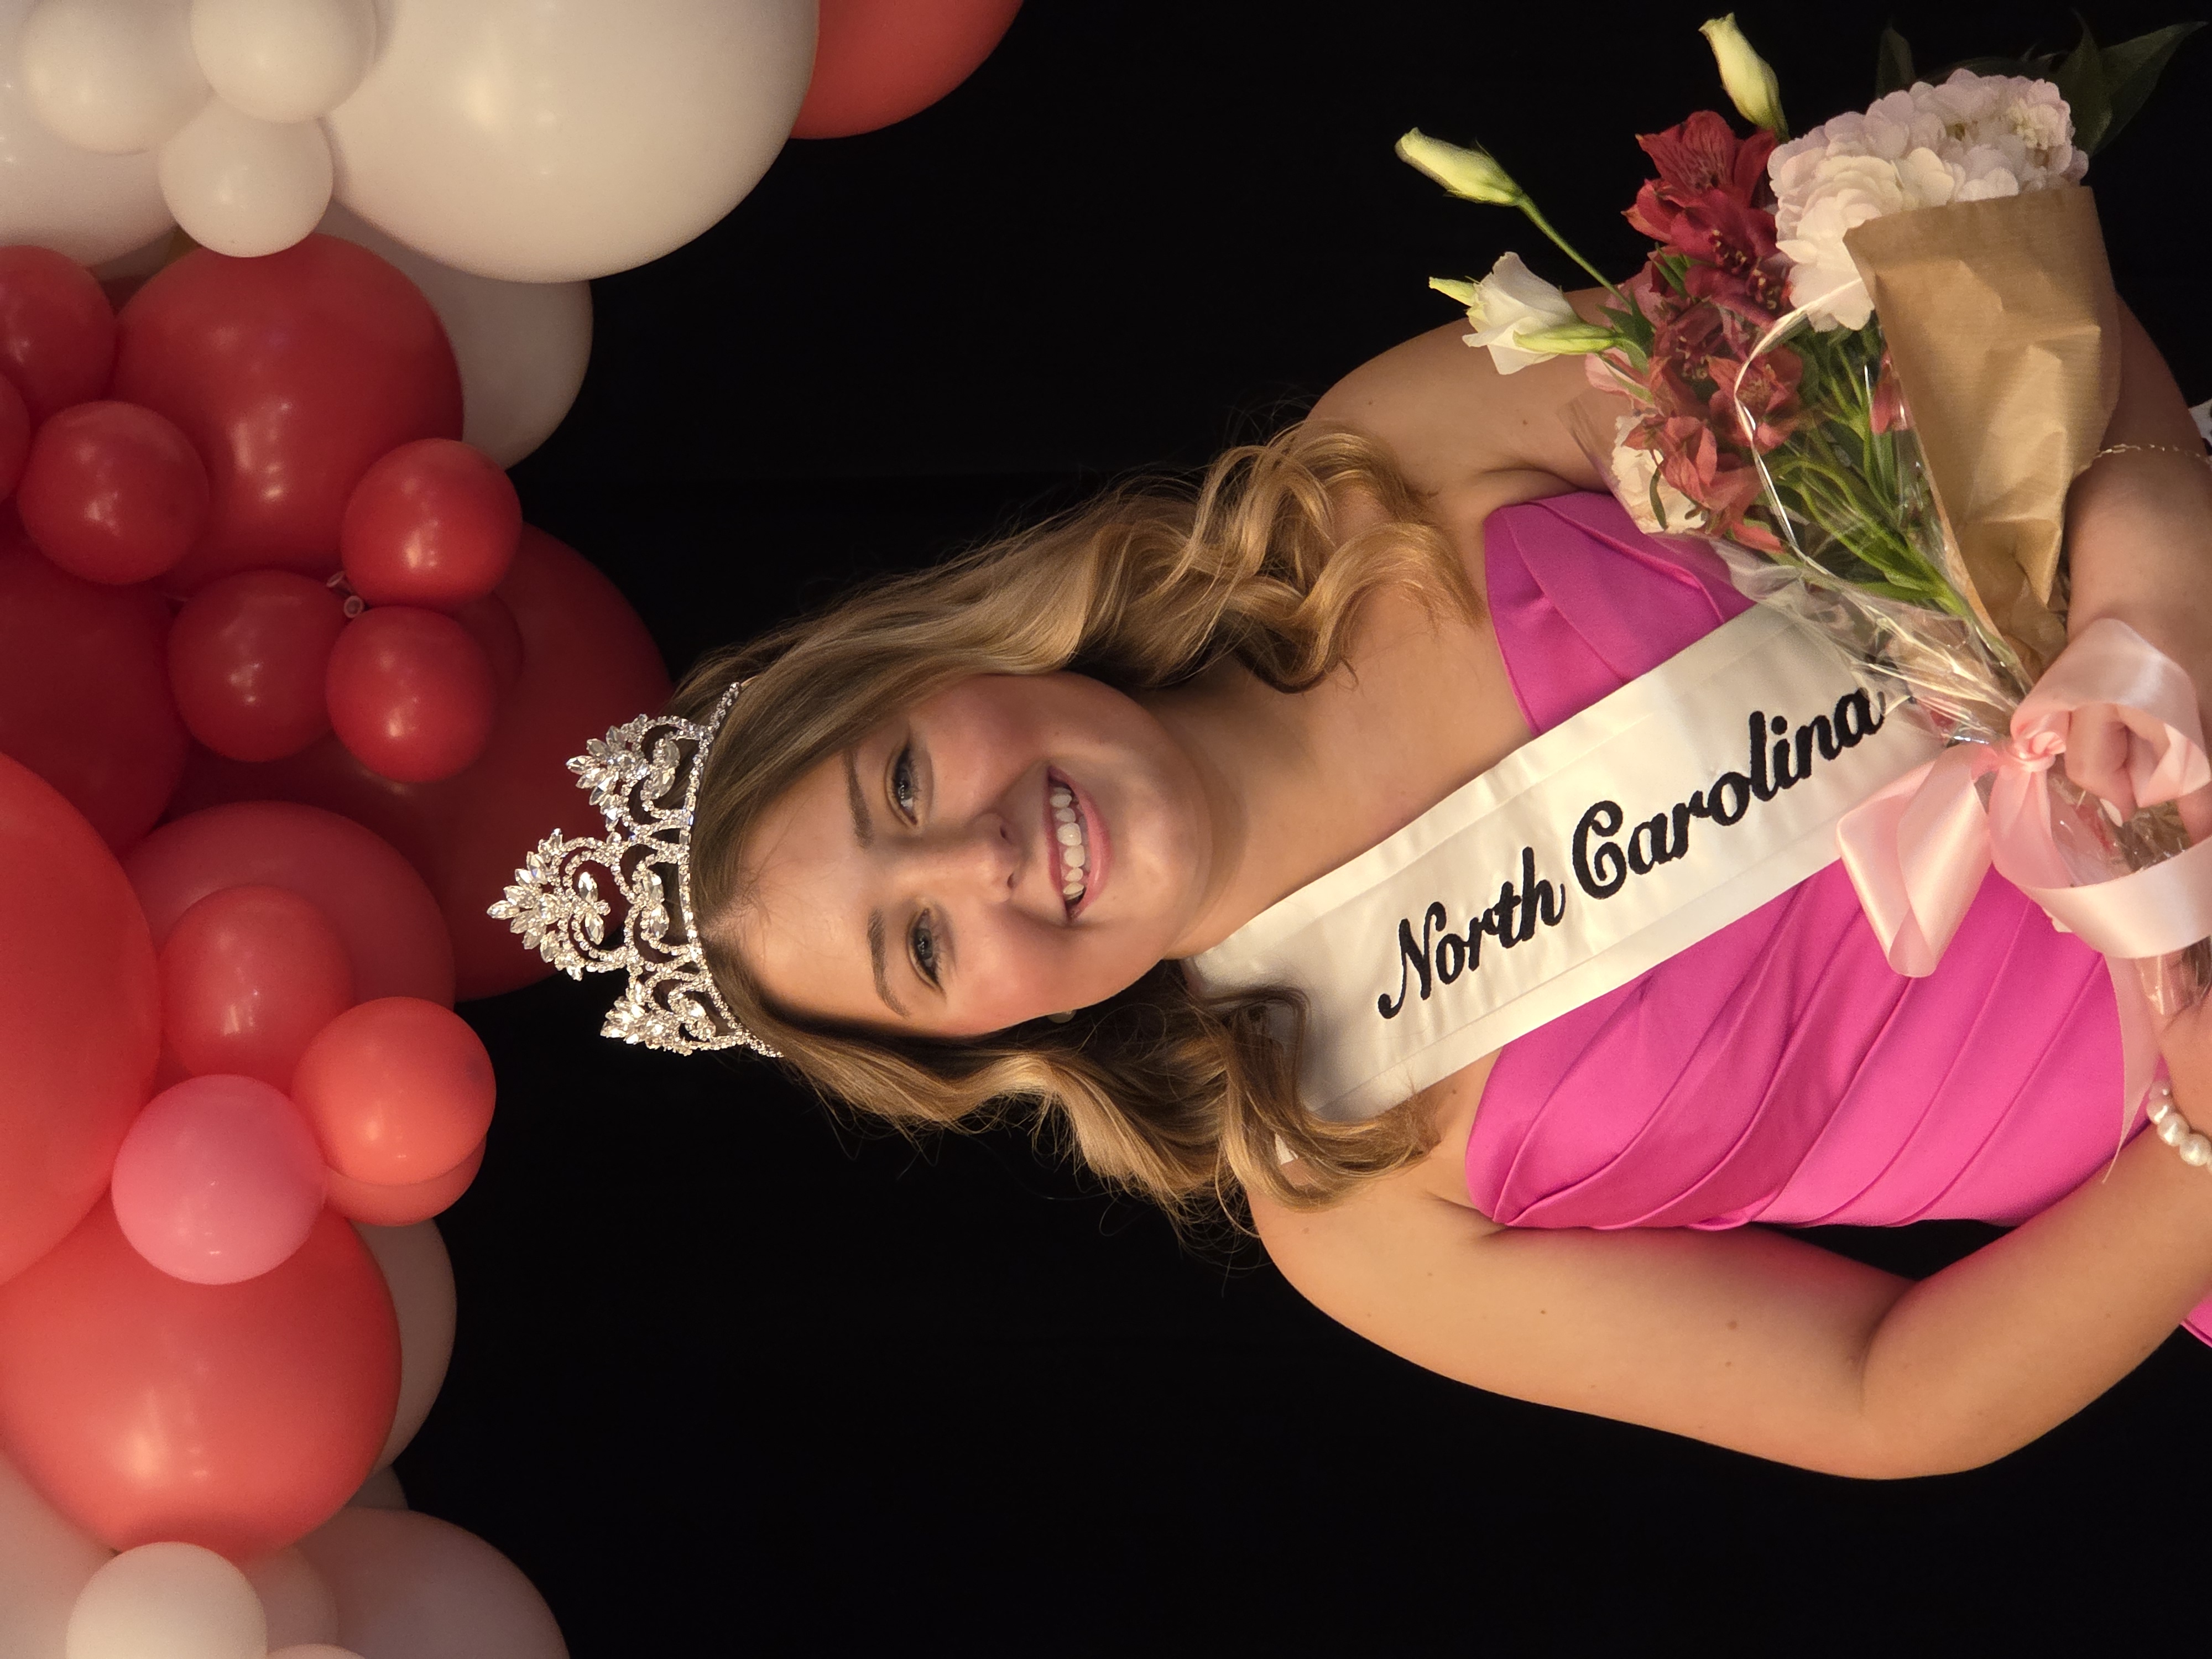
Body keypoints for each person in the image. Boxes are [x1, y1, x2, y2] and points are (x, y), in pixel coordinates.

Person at [528, 292, 2212, 1481]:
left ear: (936, 665)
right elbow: (1876, 1397)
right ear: (984, 1046)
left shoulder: (1374, 478)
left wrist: (2155, 600)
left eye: (901, 782)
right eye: (917, 945)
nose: (980, 859)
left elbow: (1947, 303)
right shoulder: (1355, 1208)